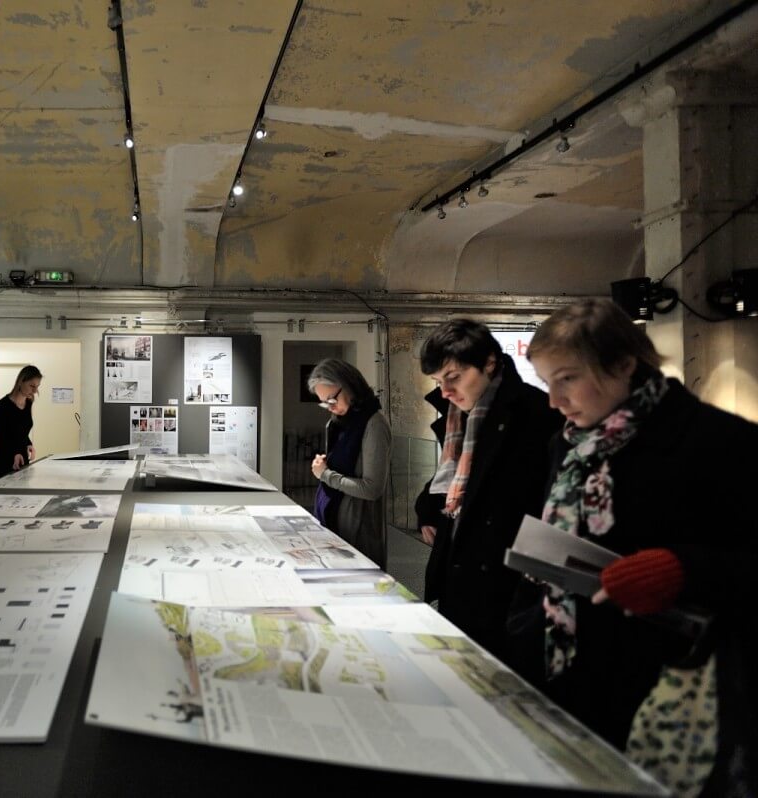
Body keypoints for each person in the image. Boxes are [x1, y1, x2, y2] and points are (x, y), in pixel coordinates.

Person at [522, 297, 758, 795]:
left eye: (567, 378)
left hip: (672, 683)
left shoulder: (719, 442)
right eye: (547, 382)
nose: (553, 400)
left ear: (626, 364)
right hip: (568, 664)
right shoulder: (567, 443)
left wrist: (684, 569)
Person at [414, 319, 561, 661]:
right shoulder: (459, 415)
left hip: (503, 578)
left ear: (490, 363)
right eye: (439, 382)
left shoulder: (536, 413)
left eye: (454, 377)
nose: (446, 391)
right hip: (461, 567)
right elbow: (448, 479)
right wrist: (428, 509)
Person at [305, 358, 391, 567]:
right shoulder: (338, 424)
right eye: (324, 402)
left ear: (350, 385)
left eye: (332, 399)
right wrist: (325, 465)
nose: (330, 407)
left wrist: (325, 474)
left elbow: (371, 489)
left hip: (359, 533)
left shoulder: (374, 424)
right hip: (335, 524)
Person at [0, 365, 42, 483]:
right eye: (32, 386)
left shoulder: (28, 403)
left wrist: (28, 444)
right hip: (3, 460)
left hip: (21, 459)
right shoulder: (2, 406)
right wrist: (14, 453)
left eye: (37, 387)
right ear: (21, 382)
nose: (35, 391)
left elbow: (21, 431)